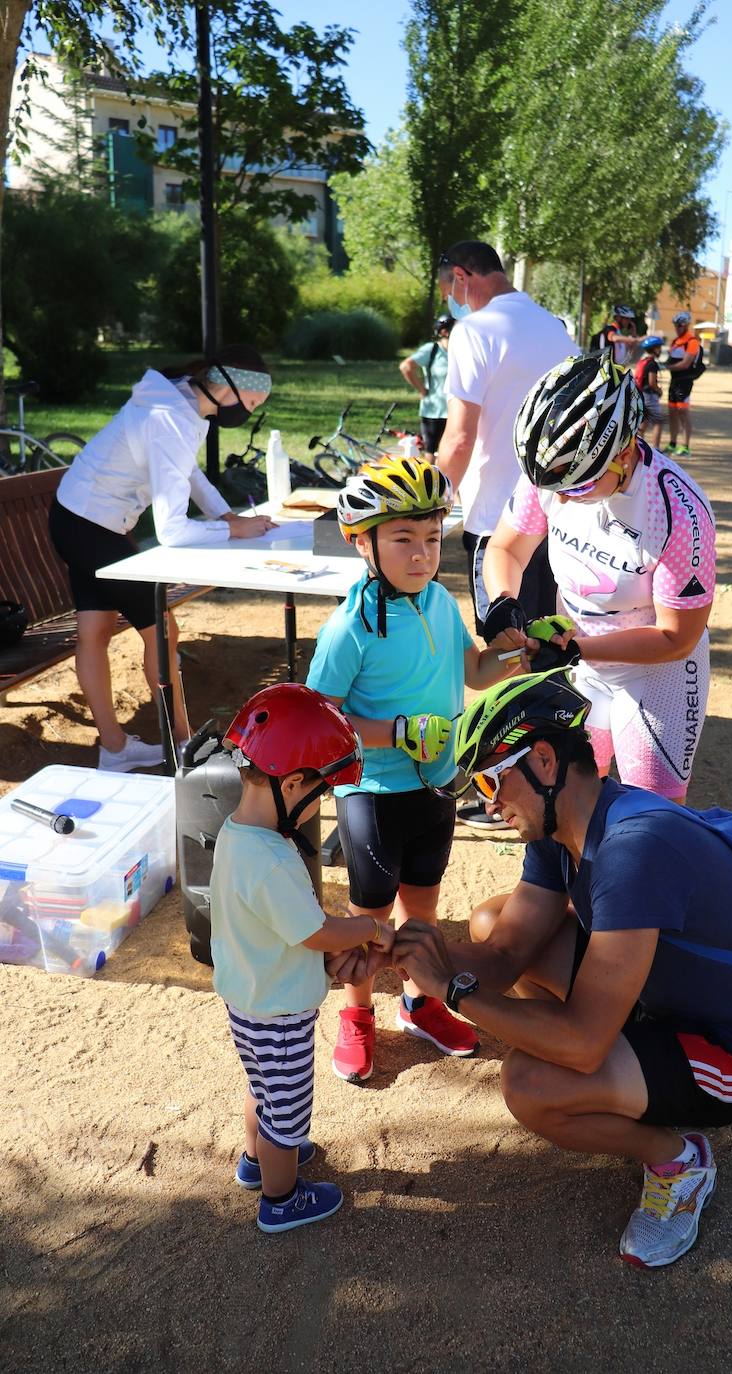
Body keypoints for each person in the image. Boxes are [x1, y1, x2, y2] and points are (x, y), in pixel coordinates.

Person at [392, 670, 732, 1268]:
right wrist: (395, 948)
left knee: (532, 1084)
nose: (486, 801)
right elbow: (505, 956)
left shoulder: (633, 852)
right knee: (490, 921)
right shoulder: (564, 825)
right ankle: (623, 1060)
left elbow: (582, 1046)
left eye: (491, 778)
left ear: (545, 762)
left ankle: (680, 1162)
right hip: (666, 996)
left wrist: (452, 989)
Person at [305, 456, 524, 1085]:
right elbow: (321, 721)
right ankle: (356, 1016)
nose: (422, 554)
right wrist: (396, 732)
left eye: (432, 538)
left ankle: (420, 1003)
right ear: (361, 541)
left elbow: (472, 673)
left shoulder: (438, 603)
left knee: (421, 910)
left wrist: (507, 654)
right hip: (373, 791)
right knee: (370, 919)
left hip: (435, 785)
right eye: (403, 539)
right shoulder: (348, 629)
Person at [483, 352, 716, 804]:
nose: (563, 501)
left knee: (649, 816)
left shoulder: (676, 510)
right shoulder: (552, 472)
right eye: (556, 489)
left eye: (580, 487)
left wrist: (575, 648)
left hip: (655, 671)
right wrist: (502, 601)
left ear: (625, 452)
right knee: (564, 802)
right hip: (578, 659)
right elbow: (507, 548)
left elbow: (675, 638)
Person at [210, 682, 395, 1233]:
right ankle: (281, 1198)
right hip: (281, 1013)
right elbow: (314, 930)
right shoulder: (270, 858)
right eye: (320, 791)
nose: (321, 802)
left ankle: (255, 1163)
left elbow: (278, 929)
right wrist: (368, 927)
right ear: (291, 782)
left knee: (263, 1088)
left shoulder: (235, 834)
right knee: (287, 1114)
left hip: (249, 998)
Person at [49, 344, 275, 772]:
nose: (248, 413)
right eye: (250, 404)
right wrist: (230, 528)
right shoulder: (171, 417)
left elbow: (188, 472)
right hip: (89, 525)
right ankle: (186, 747)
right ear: (227, 388)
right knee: (162, 630)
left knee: (95, 630)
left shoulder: (181, 401)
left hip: (77, 517)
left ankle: (115, 750)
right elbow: (171, 531)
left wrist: (227, 516)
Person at [436, 239, 574, 828]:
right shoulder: (555, 327)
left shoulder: (474, 332)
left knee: (504, 652)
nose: (452, 301)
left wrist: (424, 503)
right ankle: (559, 778)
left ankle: (507, 789)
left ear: (463, 277)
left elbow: (460, 438)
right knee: (548, 647)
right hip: (559, 516)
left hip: (498, 520)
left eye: (449, 289)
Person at [398, 316, 454, 456]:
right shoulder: (432, 350)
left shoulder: (462, 351)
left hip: (455, 410)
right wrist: (422, 389)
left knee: (451, 451)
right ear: (443, 332)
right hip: (434, 411)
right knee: (431, 451)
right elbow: (406, 367)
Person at [665, 312, 704, 457]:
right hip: (674, 381)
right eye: (676, 325)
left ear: (686, 325)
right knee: (672, 412)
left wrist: (666, 367)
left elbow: (685, 363)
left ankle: (686, 446)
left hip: (685, 381)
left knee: (683, 412)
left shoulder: (692, 342)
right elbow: (671, 359)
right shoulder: (675, 341)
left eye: (680, 325)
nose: (677, 328)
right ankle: (673, 443)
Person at [634, 335, 664, 449]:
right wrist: (658, 390)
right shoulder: (652, 364)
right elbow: (652, 382)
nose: (660, 350)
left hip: (642, 394)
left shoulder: (643, 361)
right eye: (659, 347)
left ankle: (639, 447)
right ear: (655, 349)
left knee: (643, 423)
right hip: (650, 396)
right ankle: (656, 448)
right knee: (658, 421)